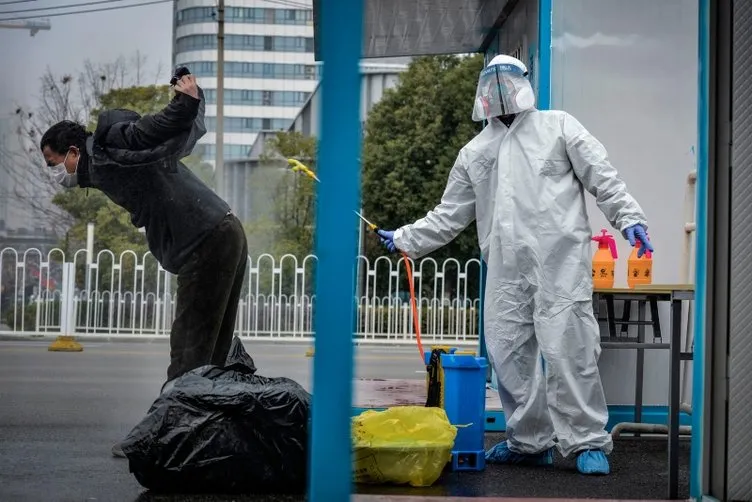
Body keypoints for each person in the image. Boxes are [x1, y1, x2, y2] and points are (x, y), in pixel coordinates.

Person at [376, 54, 654, 475]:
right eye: (492, 79)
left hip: (559, 263)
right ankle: (529, 441)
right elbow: (450, 214)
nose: (500, 87)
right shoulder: (475, 152)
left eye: (507, 78)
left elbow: (602, 176)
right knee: (508, 355)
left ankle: (586, 443)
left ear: (525, 82)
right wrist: (405, 238)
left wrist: (628, 218)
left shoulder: (558, 126)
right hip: (505, 269)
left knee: (570, 351)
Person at [40, 71, 248, 458]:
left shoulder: (106, 145)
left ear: (72, 152)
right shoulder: (104, 164)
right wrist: (191, 104)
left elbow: (147, 132)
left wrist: (184, 103)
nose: (58, 175)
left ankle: (163, 439)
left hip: (208, 239)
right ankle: (208, 436)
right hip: (220, 232)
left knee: (188, 350)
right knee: (209, 353)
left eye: (55, 165)